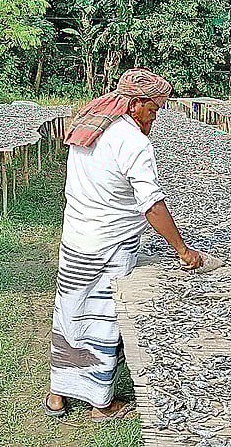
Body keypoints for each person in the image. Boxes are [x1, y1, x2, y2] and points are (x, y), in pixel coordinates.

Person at [45, 68, 205, 421]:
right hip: (109, 243)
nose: (156, 114)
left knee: (70, 312)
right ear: (134, 104)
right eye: (153, 108)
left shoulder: (92, 124)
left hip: (76, 237)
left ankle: (58, 393)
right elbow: (152, 204)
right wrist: (182, 249)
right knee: (102, 320)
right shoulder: (133, 142)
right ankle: (101, 403)